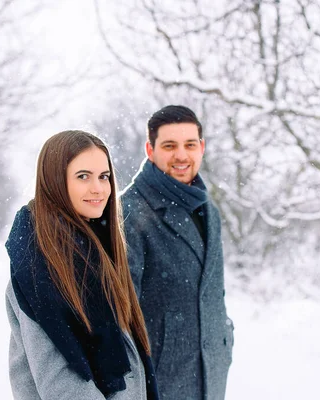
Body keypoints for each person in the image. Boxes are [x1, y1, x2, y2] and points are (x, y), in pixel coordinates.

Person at [5, 130, 159, 400]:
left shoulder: (94, 250)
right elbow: (61, 380)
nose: (98, 188)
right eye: (83, 176)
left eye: (104, 177)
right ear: (55, 181)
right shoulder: (38, 264)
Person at [120, 105, 234, 400]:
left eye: (190, 145)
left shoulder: (208, 209)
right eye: (169, 146)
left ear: (202, 148)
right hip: (161, 382)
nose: (181, 156)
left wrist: (225, 336)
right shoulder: (128, 213)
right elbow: (119, 318)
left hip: (212, 374)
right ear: (150, 149)